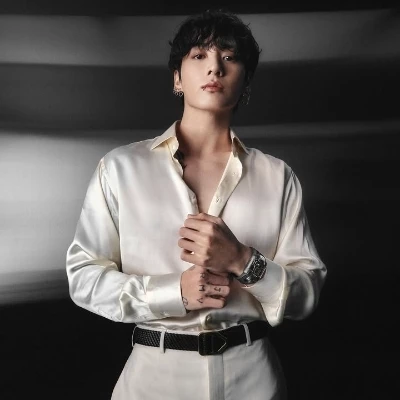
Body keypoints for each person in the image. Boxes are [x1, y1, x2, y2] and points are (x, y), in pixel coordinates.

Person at [66, 9, 326, 400]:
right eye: (199, 55)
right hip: (153, 380)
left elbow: (307, 295)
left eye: (229, 57)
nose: (215, 68)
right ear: (177, 78)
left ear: (246, 82)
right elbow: (83, 277)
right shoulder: (120, 168)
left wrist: (243, 261)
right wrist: (174, 293)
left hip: (253, 380)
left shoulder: (278, 176)